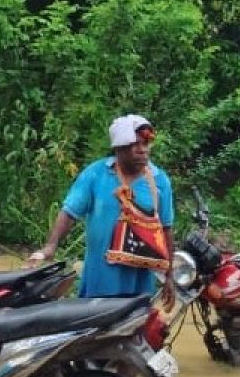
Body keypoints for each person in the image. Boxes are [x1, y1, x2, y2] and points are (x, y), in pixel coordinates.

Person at [28, 115, 174, 302]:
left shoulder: (160, 182)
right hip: (100, 279)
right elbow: (69, 212)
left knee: (136, 328)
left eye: (146, 144)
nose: (143, 150)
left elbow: (166, 229)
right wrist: (50, 246)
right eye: (136, 145)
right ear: (119, 149)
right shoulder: (96, 174)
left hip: (140, 284)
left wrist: (169, 276)